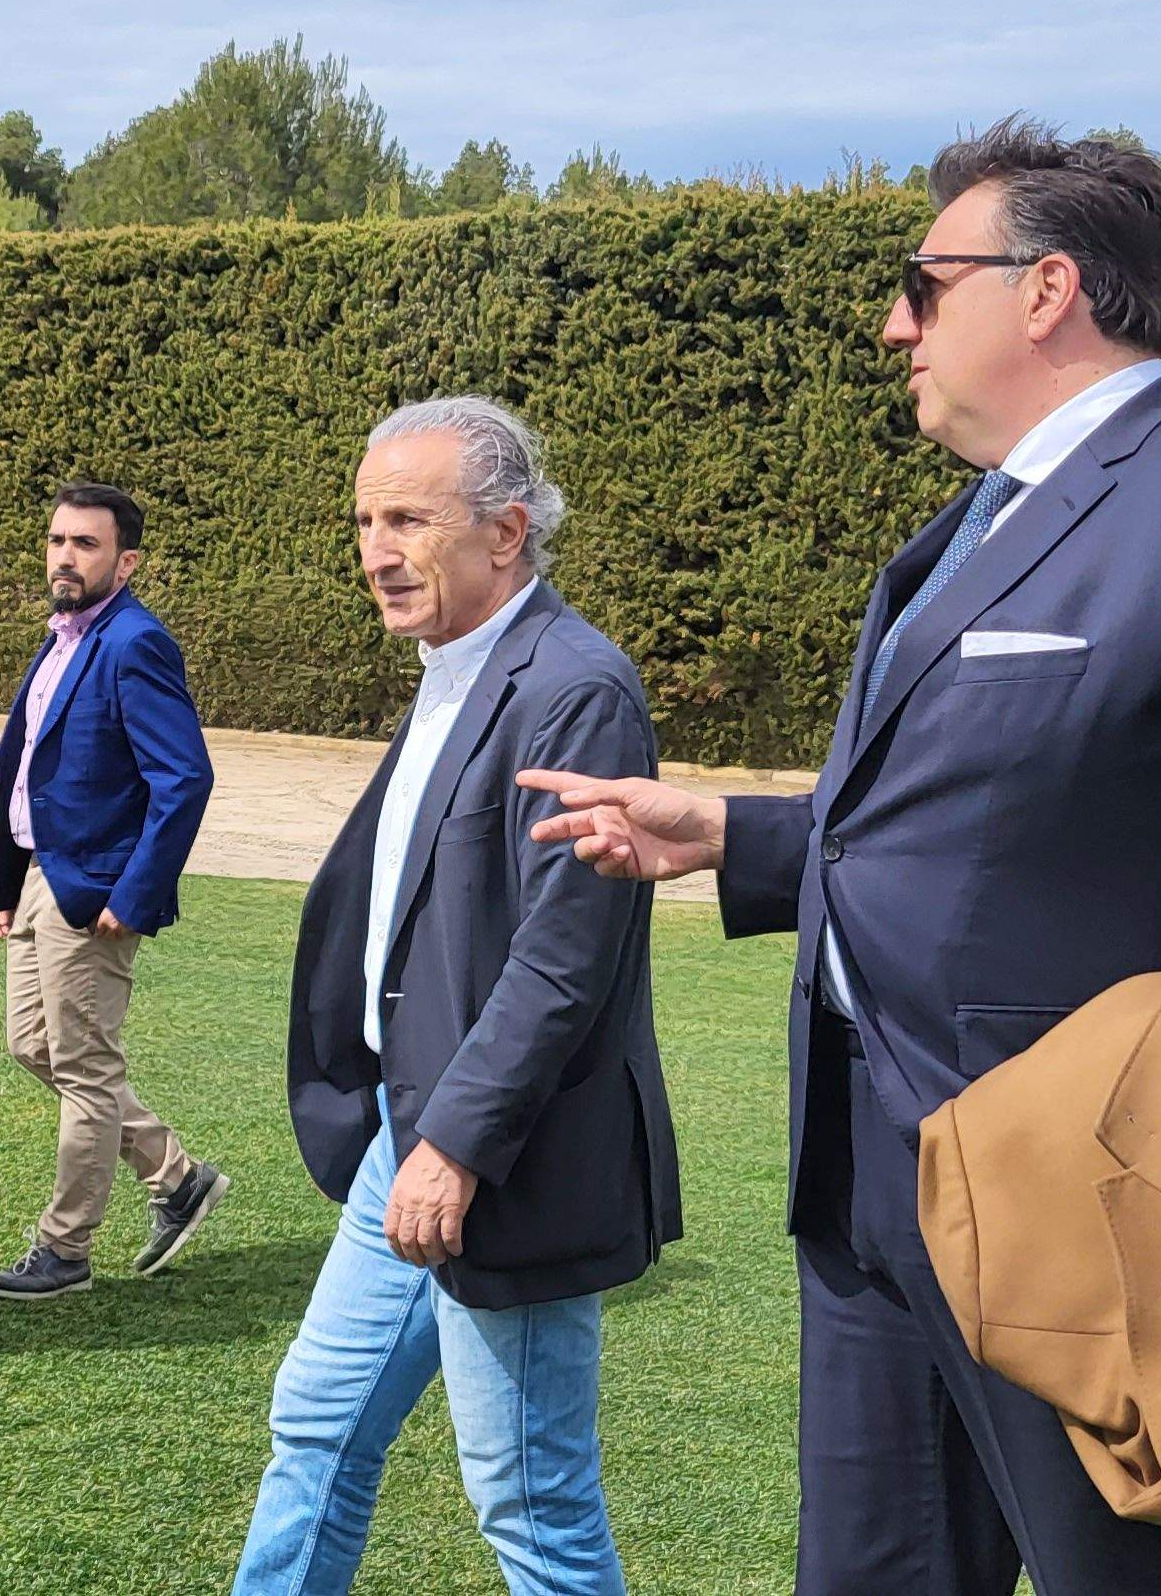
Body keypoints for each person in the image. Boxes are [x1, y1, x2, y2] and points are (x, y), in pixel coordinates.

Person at [519, 118, 1161, 1595]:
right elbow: (1001, 811)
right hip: (868, 1203)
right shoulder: (971, 528)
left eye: (923, 280)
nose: (891, 321)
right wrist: (743, 838)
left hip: (1090, 1237)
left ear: (1048, 289)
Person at [233, 397, 676, 1596]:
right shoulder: (455, 669)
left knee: (529, 1500)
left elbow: (563, 957)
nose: (377, 549)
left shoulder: (575, 687)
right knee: (315, 1427)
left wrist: (457, 1148)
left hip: (500, 1150)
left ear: (506, 532)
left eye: (409, 519)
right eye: (366, 521)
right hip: (411, 1125)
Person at [0, 481, 228, 1300]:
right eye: (57, 541)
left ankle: (65, 1251)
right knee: (32, 1045)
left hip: (94, 891)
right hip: (40, 875)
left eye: (85, 544)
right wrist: (5, 876)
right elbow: (27, 766)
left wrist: (137, 891)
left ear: (127, 562)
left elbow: (184, 778)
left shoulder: (133, 643)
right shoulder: (61, 641)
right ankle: (176, 1174)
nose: (65, 556)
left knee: (84, 1069)